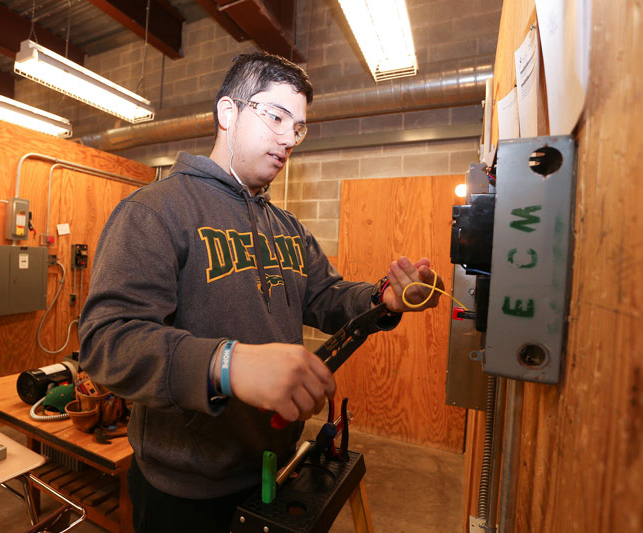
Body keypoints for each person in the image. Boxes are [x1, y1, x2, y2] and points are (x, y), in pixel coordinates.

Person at [78, 52, 444, 532]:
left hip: (276, 464)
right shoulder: (155, 211)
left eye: (299, 126)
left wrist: (383, 300)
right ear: (228, 113)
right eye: (275, 116)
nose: (289, 138)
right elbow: (109, 343)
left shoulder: (286, 226)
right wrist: (228, 363)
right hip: (186, 488)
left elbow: (328, 297)